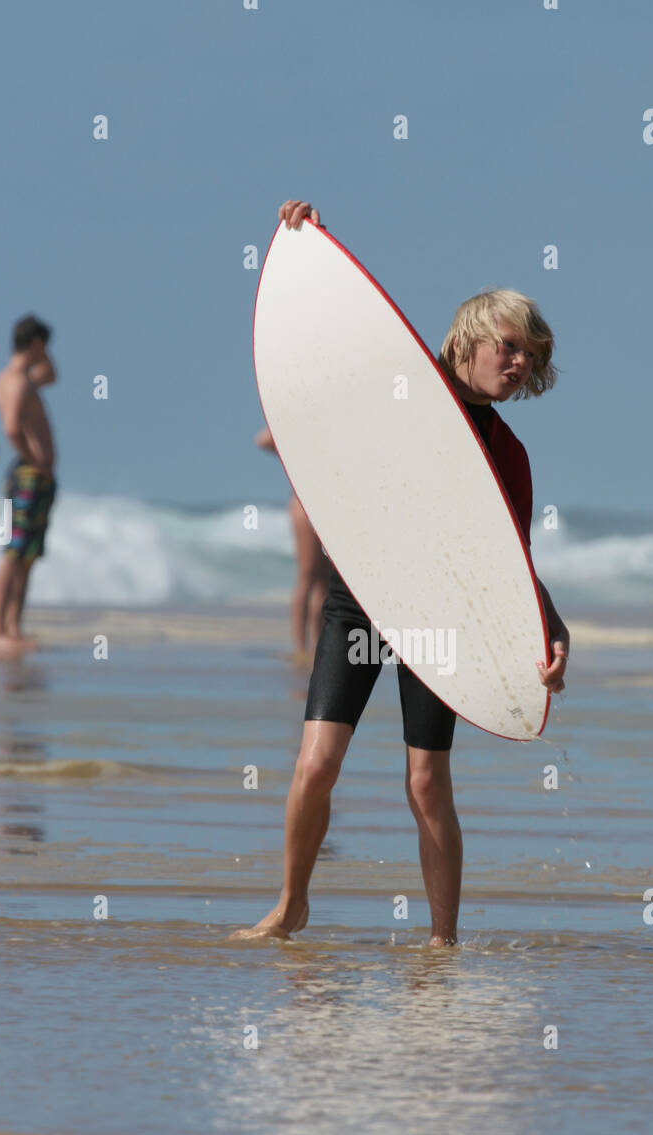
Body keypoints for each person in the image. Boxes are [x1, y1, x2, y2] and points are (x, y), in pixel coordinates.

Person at [232, 198, 569, 948]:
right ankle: (291, 906)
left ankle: (443, 941)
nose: (518, 365)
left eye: (530, 359)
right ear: (470, 336)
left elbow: (508, 561)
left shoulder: (507, 456)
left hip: (436, 619)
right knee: (316, 764)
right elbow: (327, 354)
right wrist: (302, 244)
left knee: (425, 783)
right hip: (360, 601)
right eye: (509, 347)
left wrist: (552, 631)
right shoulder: (401, 390)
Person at [0, 315, 58, 656]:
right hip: (28, 473)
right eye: (44, 345)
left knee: (27, 555)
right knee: (15, 553)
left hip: (35, 473)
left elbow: (53, 375)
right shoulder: (16, 381)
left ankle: (12, 627)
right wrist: (35, 459)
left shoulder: (23, 378)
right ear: (35, 343)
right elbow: (12, 428)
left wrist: (40, 352)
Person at [254, 425, 330, 661]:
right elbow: (262, 439)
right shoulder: (302, 426)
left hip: (329, 506)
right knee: (307, 575)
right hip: (302, 504)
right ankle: (299, 647)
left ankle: (317, 645)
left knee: (325, 582)